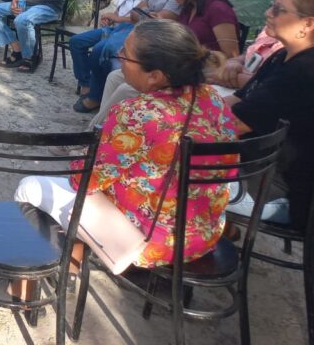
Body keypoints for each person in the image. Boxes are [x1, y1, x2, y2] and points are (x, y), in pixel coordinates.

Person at [15, 20, 237, 269]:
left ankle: (57, 270)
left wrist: (88, 156)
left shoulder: (138, 114)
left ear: (155, 76)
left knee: (29, 187)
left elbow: (83, 181)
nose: (119, 57)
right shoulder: (212, 99)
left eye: (125, 54)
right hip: (204, 234)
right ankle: (73, 260)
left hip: (152, 243)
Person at [224, 0, 314, 230]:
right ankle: (218, 229)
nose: (267, 13)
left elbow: (232, 125)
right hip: (259, 169)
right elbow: (237, 99)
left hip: (280, 193)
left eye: (278, 9)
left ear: (307, 24)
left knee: (171, 162)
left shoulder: (302, 72)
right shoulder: (283, 55)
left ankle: (204, 235)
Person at [69, 0, 159, 114]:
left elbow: (139, 17)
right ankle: (87, 86)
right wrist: (112, 17)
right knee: (76, 42)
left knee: (100, 51)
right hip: (116, 27)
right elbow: (121, 10)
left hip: (133, 30)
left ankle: (96, 97)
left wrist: (118, 19)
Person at [212, 0, 314, 91]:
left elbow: (278, 86)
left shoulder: (299, 54)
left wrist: (229, 78)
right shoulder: (277, 37)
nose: (267, 13)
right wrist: (236, 61)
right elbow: (253, 52)